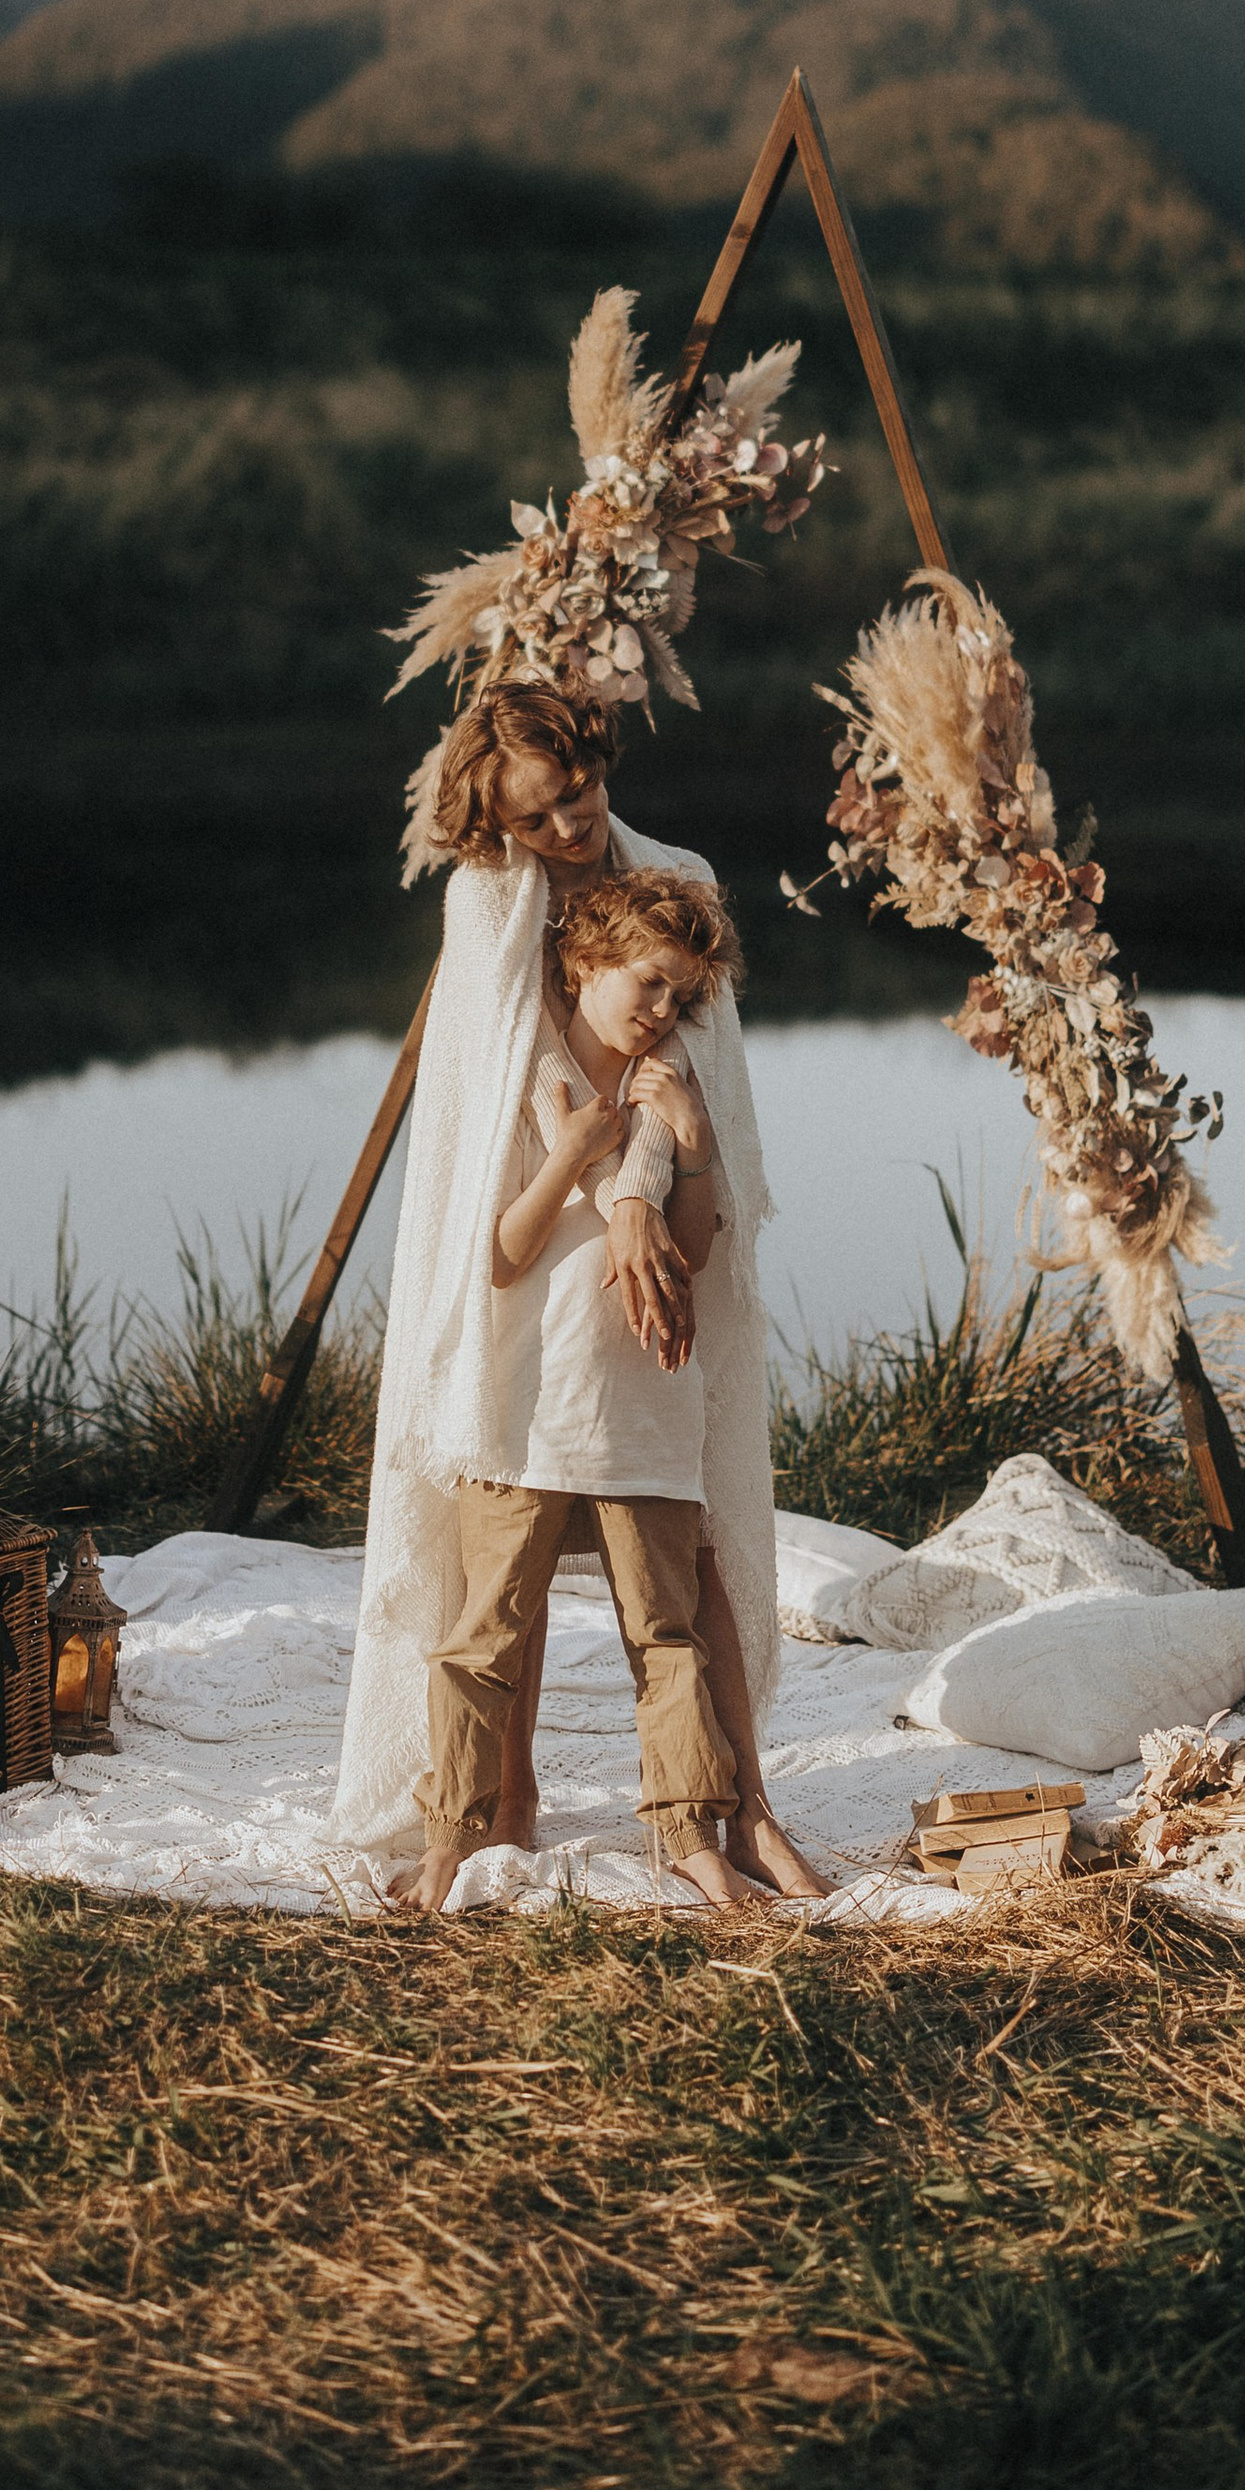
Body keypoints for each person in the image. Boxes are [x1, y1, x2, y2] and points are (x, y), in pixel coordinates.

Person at [330, 685, 828, 1903]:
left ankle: (737, 1805)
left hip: (656, 1267)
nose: (562, 828)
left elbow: (682, 1068)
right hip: (531, 1266)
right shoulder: (489, 899)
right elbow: (501, 1094)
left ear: (599, 762)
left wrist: (643, 1199)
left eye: (575, 796)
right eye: (532, 816)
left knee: (686, 1540)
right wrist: (598, 1194)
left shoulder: (675, 879)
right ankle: (499, 1800)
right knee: (507, 1545)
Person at [392, 866, 750, 1914]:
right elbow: (500, 1257)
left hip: (643, 1404)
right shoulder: (530, 1074)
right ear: (582, 963)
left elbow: (689, 1248)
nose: (659, 1012)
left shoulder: (668, 1080)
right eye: (646, 984)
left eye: (679, 997)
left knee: (665, 1631)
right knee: (482, 1633)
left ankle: (690, 1833)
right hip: (525, 1406)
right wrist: (573, 1157)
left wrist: (686, 1136)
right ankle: (448, 1836)